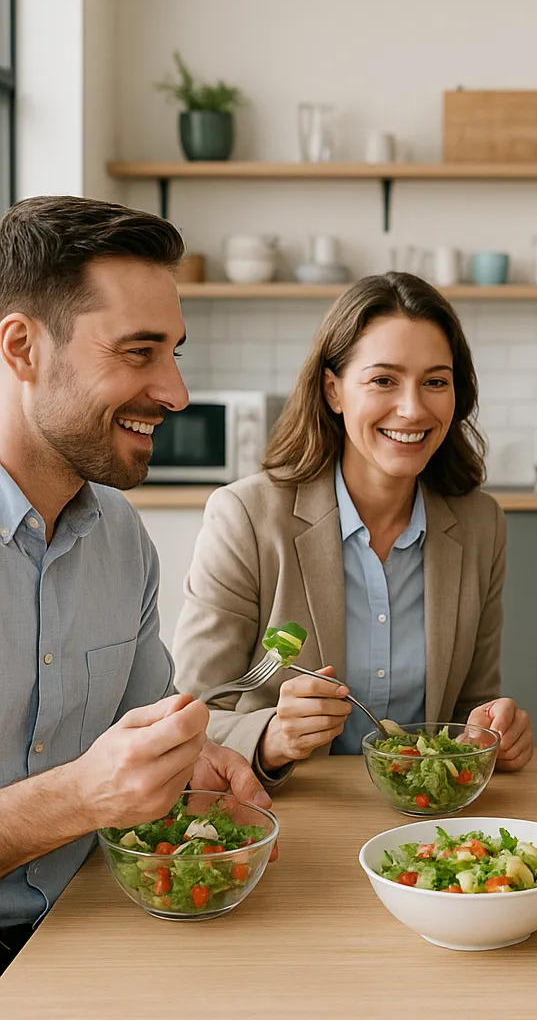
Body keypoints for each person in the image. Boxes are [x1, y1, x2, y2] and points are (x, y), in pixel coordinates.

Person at [0, 196, 269, 973]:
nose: (176, 392)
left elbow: (141, 735)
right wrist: (81, 798)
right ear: (22, 348)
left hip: (93, 927)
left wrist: (188, 768)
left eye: (173, 352)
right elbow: (94, 791)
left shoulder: (120, 536)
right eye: (139, 351)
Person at [172, 272, 533, 783]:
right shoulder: (245, 517)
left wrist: (492, 731)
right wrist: (272, 738)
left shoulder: (480, 524)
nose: (413, 408)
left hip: (425, 812)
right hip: (291, 808)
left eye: (435, 382)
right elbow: (193, 712)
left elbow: (469, 708)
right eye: (384, 380)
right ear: (333, 390)